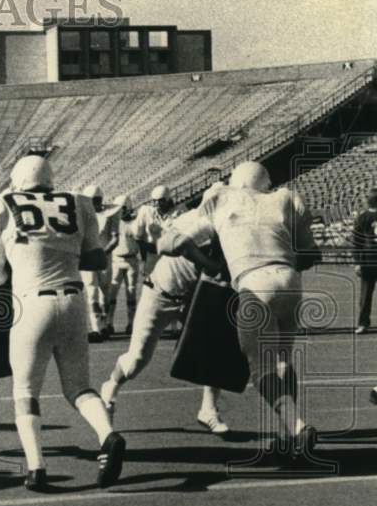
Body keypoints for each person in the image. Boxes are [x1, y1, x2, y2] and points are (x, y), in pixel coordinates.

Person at [0, 154, 126, 492]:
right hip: (74, 301)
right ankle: (109, 435)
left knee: (25, 391)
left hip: (32, 303)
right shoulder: (79, 202)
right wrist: (60, 249)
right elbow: (96, 258)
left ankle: (37, 468)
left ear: (16, 180)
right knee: (79, 388)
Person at [158, 161, 322, 453]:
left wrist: (207, 261)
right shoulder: (283, 198)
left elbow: (173, 243)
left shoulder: (223, 198)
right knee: (283, 358)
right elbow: (310, 254)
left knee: (261, 370)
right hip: (290, 281)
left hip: (253, 284)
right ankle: (290, 433)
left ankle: (297, 427)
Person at [100, 183, 231, 435]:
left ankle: (209, 409)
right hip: (161, 294)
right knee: (137, 360)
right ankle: (111, 387)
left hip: (196, 296)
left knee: (216, 349)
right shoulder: (198, 220)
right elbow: (170, 243)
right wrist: (209, 263)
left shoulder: (234, 225)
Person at [79, 185, 118, 342]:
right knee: (92, 292)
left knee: (105, 292)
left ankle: (106, 322)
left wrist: (104, 252)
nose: (95, 203)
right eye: (92, 200)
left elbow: (115, 238)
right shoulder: (82, 215)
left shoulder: (110, 215)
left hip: (104, 257)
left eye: (97, 200)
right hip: (88, 258)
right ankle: (96, 327)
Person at [105, 195, 140, 336]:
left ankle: (131, 323)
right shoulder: (113, 222)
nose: (120, 211)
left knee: (131, 294)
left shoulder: (135, 222)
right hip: (116, 260)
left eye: (123, 208)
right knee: (111, 293)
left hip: (131, 260)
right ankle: (109, 323)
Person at [352, 188, 377, 337]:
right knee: (365, 294)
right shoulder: (362, 217)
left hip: (368, 260)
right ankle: (362, 323)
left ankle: (363, 323)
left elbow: (356, 242)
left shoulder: (362, 217)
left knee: (365, 295)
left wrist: (357, 262)